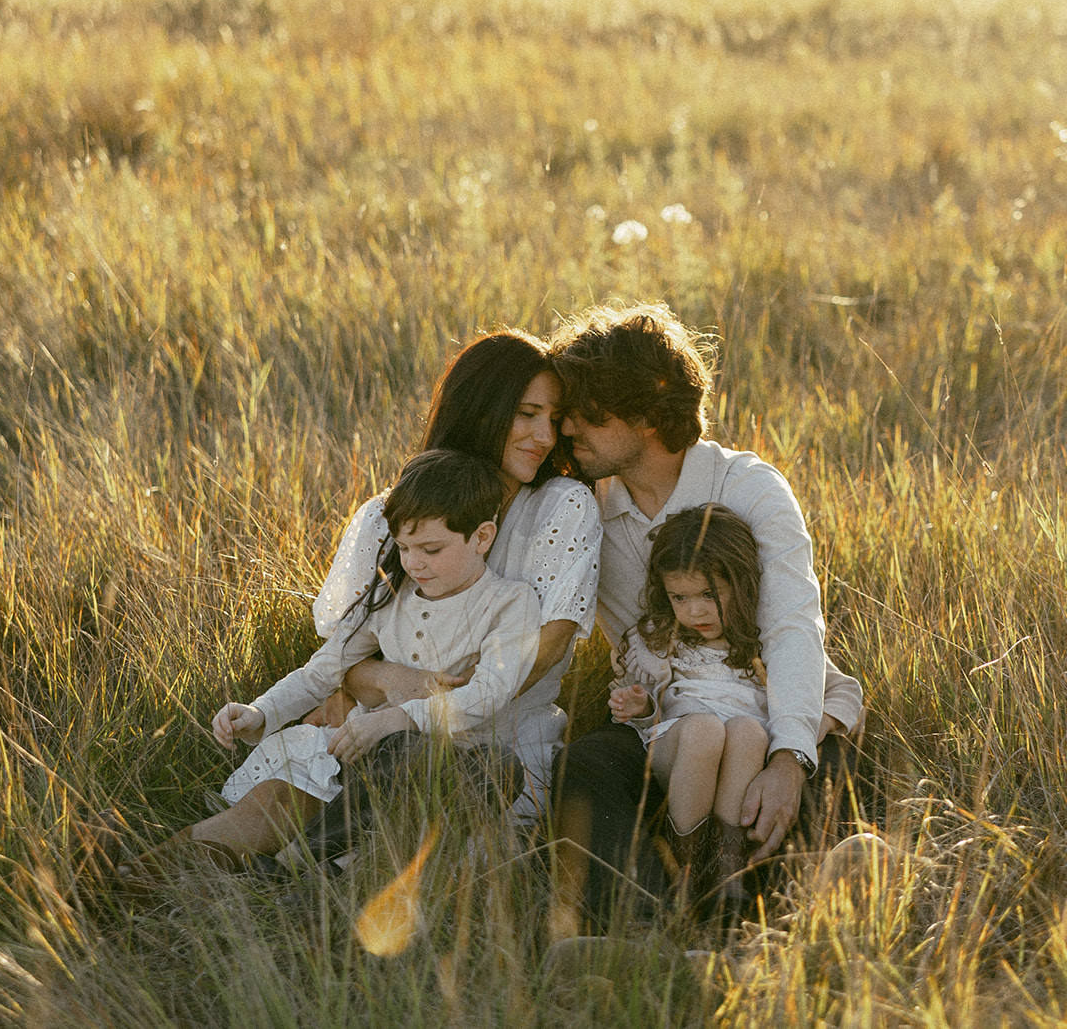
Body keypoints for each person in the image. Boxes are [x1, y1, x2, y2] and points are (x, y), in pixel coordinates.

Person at [546, 301, 865, 937]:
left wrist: (789, 758)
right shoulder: (579, 505)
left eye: (588, 414)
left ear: (644, 414)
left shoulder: (750, 489)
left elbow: (792, 627)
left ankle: (776, 916)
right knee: (582, 769)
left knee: (819, 776)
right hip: (664, 719)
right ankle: (649, 925)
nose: (568, 429)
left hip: (765, 707)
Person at [120, 450, 541, 882]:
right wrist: (261, 712)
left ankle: (301, 867)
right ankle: (131, 877)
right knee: (277, 803)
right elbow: (323, 670)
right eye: (404, 548)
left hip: (446, 765)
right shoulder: (390, 596)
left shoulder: (510, 603)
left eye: (431, 549)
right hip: (363, 754)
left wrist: (397, 718)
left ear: (482, 537)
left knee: (467, 763)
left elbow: (490, 692)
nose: (414, 563)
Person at [309, 330, 601, 819]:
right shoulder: (391, 514)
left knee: (447, 854)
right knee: (271, 810)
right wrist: (389, 677)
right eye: (527, 415)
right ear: (480, 408)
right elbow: (340, 659)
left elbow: (548, 649)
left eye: (553, 420)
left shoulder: (564, 506)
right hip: (377, 729)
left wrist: (426, 706)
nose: (546, 438)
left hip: (503, 743)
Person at [608, 503, 769, 917]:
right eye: (679, 597)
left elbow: (836, 694)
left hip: (742, 760)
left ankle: (727, 871)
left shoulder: (767, 641)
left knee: (749, 730)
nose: (694, 611)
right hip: (676, 745)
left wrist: (809, 731)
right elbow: (646, 710)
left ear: (742, 584)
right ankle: (684, 871)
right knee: (704, 729)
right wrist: (641, 706)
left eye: (709, 596)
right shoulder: (661, 639)